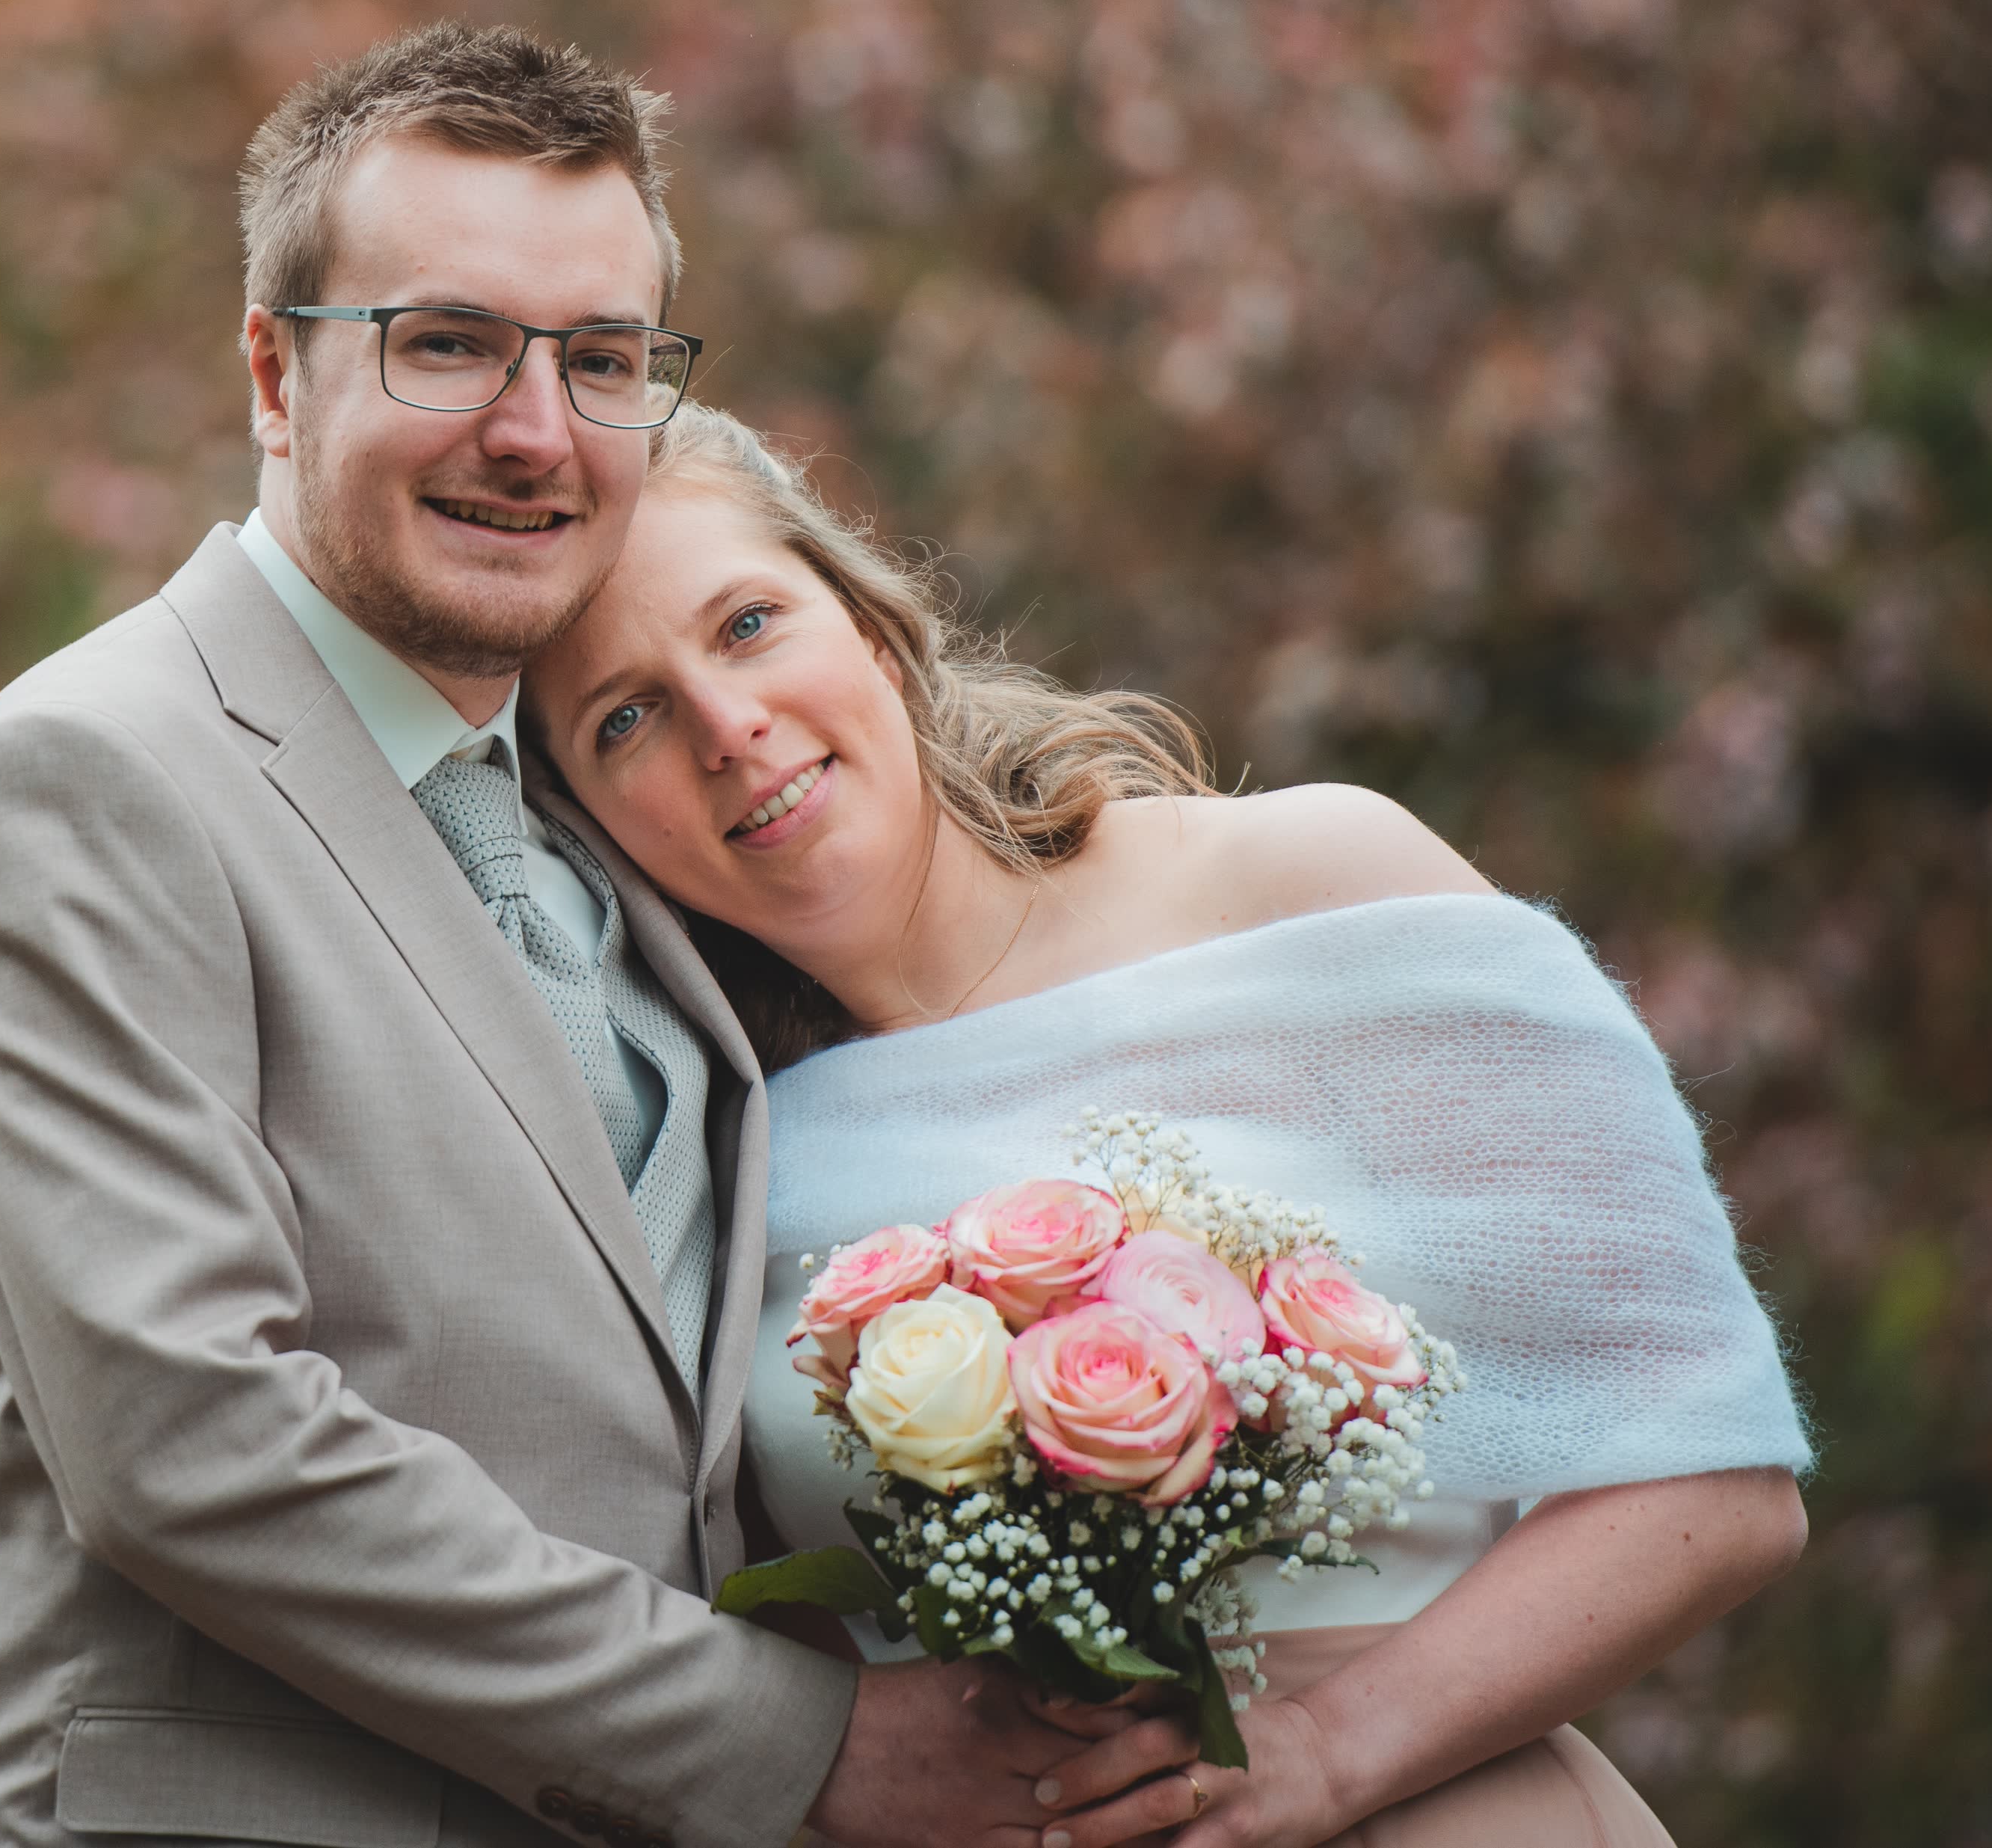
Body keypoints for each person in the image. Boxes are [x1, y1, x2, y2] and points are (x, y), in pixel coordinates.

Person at [0, 25, 1190, 1848]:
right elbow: (190, 1446)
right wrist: (800, 1746)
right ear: (272, 372)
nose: (534, 430)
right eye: (446, 343)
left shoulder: (618, 803)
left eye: (601, 360)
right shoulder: (95, 778)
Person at [524, 404, 1816, 1848]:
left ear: (871, 628)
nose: (725, 726)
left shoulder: (1311, 887)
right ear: (590, 823)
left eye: (750, 623)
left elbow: (1717, 1482)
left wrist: (1328, 1749)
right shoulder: (702, 1147)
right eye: (623, 718)